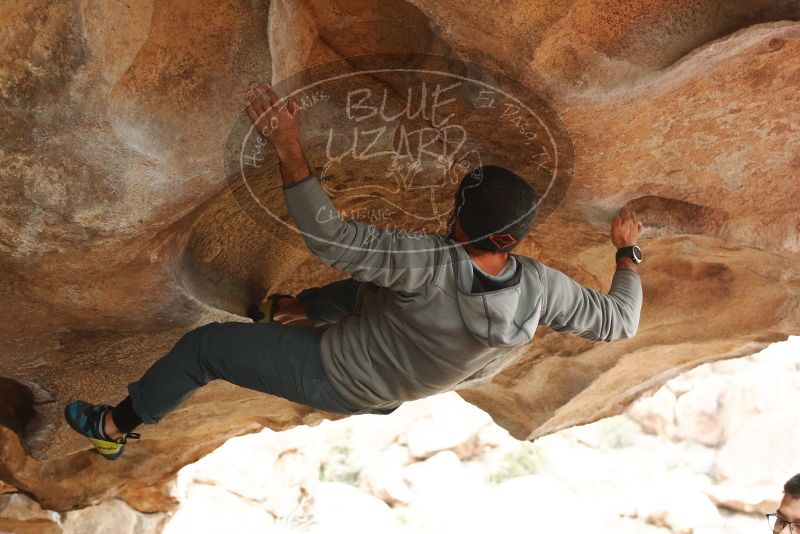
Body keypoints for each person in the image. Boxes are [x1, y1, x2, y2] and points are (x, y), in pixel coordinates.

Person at [64, 82, 644, 460]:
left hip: (335, 374)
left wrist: (289, 144)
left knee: (203, 350)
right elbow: (621, 320)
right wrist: (627, 254)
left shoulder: (428, 264)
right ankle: (295, 311)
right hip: (396, 372)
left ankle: (112, 429)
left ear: (473, 228)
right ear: (516, 239)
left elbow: (333, 238)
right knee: (377, 293)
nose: (449, 211)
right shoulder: (541, 288)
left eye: (457, 210)